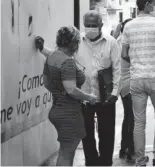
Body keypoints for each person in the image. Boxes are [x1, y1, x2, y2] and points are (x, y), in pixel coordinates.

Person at [35, 11, 121, 166]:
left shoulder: (111, 43)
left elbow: (117, 70)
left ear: (101, 25)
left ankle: (106, 163)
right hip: (83, 98)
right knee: (86, 135)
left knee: (107, 134)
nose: (90, 28)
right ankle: (92, 163)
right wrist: (42, 49)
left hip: (106, 97)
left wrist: (115, 92)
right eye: (87, 25)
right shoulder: (76, 42)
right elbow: (58, 55)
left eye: (93, 25)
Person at [121, 0, 155, 166]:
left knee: (139, 121)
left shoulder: (128, 26)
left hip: (136, 79)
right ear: (146, 5)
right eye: (153, 3)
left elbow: (124, 53)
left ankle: (141, 160)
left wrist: (137, 62)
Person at [36, 26, 98, 166]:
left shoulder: (52, 57)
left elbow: (46, 83)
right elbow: (71, 90)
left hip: (57, 109)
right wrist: (90, 97)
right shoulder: (68, 62)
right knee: (67, 152)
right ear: (74, 43)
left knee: (66, 150)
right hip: (69, 113)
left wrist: (59, 93)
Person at [115, 18, 135, 162]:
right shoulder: (127, 42)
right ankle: (130, 150)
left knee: (128, 116)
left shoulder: (118, 40)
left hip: (122, 83)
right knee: (133, 118)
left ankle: (124, 149)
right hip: (129, 83)